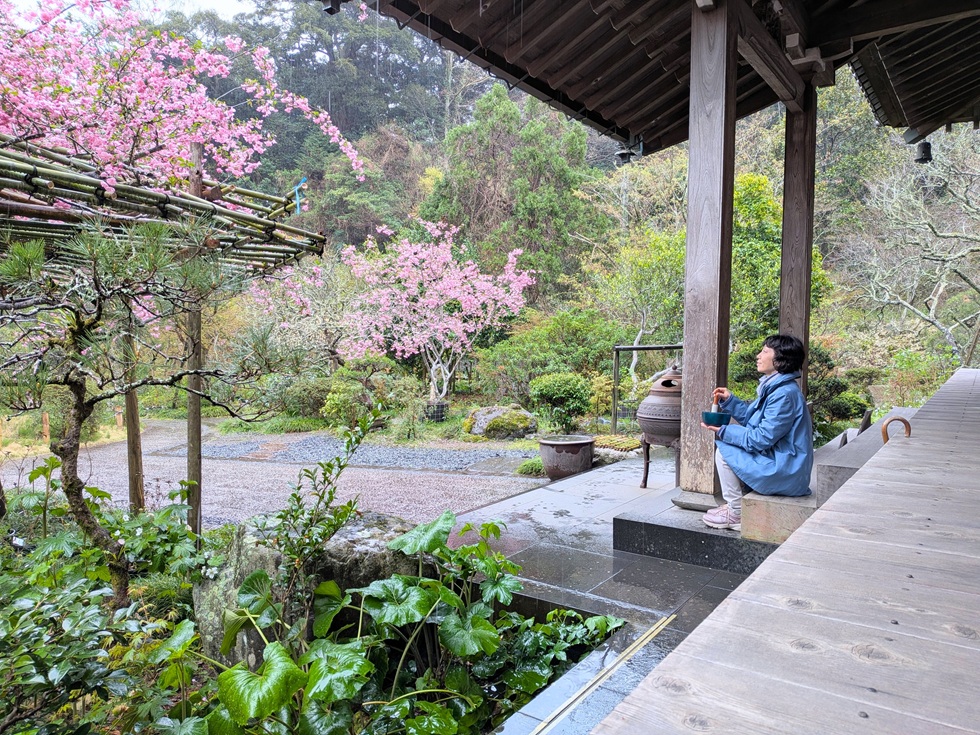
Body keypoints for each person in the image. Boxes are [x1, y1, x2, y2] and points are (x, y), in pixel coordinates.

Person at [701, 334, 814, 531]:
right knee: (729, 447)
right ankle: (735, 506)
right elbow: (755, 421)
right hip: (786, 464)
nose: (758, 356)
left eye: (765, 351)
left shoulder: (783, 394)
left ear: (780, 359)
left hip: (786, 471)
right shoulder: (776, 387)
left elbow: (760, 439)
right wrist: (730, 401)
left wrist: (724, 431)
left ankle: (736, 512)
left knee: (724, 452)